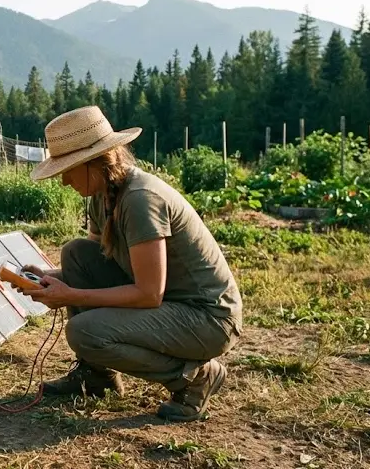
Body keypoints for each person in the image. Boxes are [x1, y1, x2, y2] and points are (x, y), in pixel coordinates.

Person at [16, 106, 243, 422]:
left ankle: (196, 378)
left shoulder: (139, 200)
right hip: (171, 304)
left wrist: (68, 296)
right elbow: (91, 266)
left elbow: (149, 294)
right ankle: (97, 376)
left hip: (207, 318)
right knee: (75, 253)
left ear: (93, 163)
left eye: (67, 170)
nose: (64, 181)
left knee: (83, 332)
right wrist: (47, 279)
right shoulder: (104, 195)